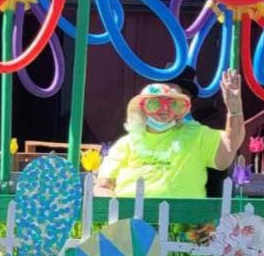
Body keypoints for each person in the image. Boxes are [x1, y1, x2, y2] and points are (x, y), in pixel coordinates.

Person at [95, 69, 244, 198]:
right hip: (132, 223)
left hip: (185, 224)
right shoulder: (126, 144)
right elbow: (102, 186)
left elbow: (230, 146)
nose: (164, 110)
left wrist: (234, 110)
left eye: (174, 104)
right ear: (141, 108)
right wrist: (117, 213)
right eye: (155, 103)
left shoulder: (197, 134)